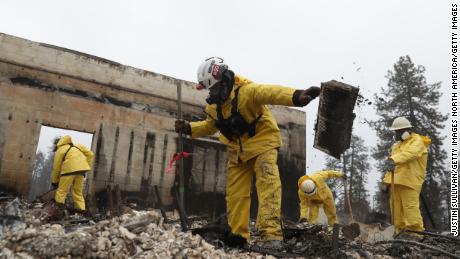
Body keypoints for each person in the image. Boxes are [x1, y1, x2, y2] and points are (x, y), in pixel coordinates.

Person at [174, 57, 320, 248]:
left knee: (268, 186)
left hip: (263, 142)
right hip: (238, 152)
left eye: (216, 88)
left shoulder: (248, 92)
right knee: (236, 195)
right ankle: (238, 236)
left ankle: (271, 236)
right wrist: (189, 128)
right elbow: (210, 126)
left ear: (225, 80)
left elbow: (272, 92)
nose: (214, 93)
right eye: (211, 90)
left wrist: (297, 96)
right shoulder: (214, 106)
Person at [382, 116, 431, 236]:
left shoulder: (417, 141)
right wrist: (385, 182)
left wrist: (393, 159)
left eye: (398, 131)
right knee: (396, 212)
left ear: (407, 130)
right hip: (396, 182)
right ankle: (399, 234)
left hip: (410, 181)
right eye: (395, 131)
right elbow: (392, 166)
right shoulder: (396, 146)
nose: (397, 134)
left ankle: (416, 235)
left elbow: (411, 154)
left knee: (410, 210)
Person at [51, 135, 94, 214]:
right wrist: (87, 166)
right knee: (78, 192)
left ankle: (59, 210)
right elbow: (90, 154)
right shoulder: (78, 146)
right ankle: (81, 211)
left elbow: (56, 167)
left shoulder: (60, 150)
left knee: (62, 191)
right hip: (81, 170)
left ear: (57, 143)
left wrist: (55, 181)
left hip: (68, 170)